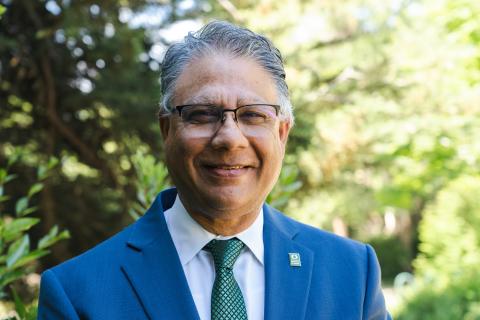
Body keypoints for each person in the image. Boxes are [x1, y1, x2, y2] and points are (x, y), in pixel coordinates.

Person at [38, 20, 391, 320]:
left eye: (253, 115)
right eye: (202, 114)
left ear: (281, 133)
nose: (229, 139)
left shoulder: (351, 274)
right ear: (167, 130)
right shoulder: (77, 293)